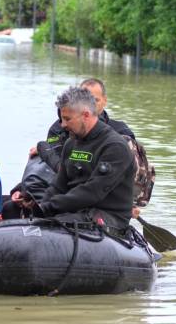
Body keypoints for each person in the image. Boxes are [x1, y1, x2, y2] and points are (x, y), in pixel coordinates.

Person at [9, 87, 136, 232]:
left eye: (67, 119)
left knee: (53, 225)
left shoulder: (115, 147)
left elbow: (92, 192)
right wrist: (40, 206)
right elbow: (59, 186)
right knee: (10, 209)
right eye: (62, 119)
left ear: (86, 115)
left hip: (107, 215)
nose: (62, 125)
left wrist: (49, 207)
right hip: (75, 209)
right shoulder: (71, 144)